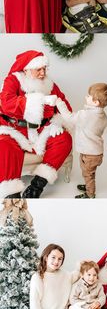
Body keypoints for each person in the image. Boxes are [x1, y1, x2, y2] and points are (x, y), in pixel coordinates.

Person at [0, 50, 72, 198]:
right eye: (38, 69)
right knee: (4, 146)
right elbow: (8, 104)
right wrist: (41, 100)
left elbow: (64, 106)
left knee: (64, 139)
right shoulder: (13, 80)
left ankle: (37, 186)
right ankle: (11, 194)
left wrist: (58, 121)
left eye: (45, 68)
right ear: (26, 69)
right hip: (14, 129)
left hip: (41, 130)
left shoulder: (49, 84)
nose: (43, 72)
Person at [56, 82, 107, 198]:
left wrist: (59, 103)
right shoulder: (102, 116)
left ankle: (90, 193)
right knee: (89, 173)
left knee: (88, 174)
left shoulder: (87, 115)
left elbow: (69, 117)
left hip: (89, 154)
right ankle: (89, 185)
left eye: (88, 96)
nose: (85, 97)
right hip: (96, 152)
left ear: (96, 102)